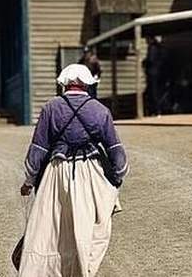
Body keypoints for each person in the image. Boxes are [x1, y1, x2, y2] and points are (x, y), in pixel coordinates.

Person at [17, 64, 128, 276]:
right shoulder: (100, 110)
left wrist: (29, 182)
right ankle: (82, 270)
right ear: (87, 84)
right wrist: (117, 177)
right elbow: (117, 154)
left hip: (57, 173)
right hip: (91, 172)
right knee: (89, 228)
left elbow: (37, 151)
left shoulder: (50, 108)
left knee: (51, 231)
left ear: (64, 84)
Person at [143, 36, 169, 115]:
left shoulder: (153, 48)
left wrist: (144, 63)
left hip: (152, 73)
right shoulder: (158, 48)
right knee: (156, 92)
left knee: (153, 92)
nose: (146, 41)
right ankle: (157, 110)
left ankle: (156, 110)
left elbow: (151, 60)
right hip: (157, 72)